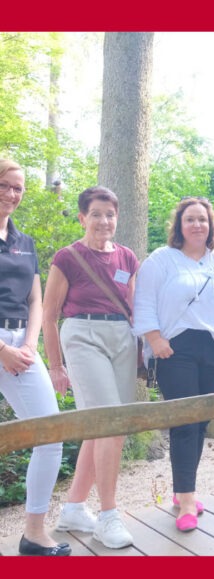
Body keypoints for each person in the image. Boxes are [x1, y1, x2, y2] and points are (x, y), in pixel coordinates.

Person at [133, 197, 214, 529]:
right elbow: (144, 302)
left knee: (199, 424)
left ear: (211, 226)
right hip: (175, 350)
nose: (197, 225)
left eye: (203, 220)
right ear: (179, 225)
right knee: (184, 422)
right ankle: (186, 502)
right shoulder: (161, 260)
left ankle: (183, 489)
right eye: (190, 219)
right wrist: (155, 340)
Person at [42, 186, 139, 549]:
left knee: (106, 428)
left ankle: (73, 509)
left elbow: (135, 305)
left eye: (110, 214)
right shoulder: (67, 257)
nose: (104, 221)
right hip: (82, 334)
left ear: (117, 218)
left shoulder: (128, 257)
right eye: (96, 214)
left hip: (121, 337)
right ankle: (108, 515)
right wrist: (56, 365)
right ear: (83, 217)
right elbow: (49, 316)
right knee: (109, 424)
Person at [0, 159, 71, 556]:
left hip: (21, 342)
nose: (11, 194)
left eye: (18, 188)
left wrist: (27, 344)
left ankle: (33, 533)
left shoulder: (24, 242)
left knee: (50, 433)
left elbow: (35, 297)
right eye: (4, 186)